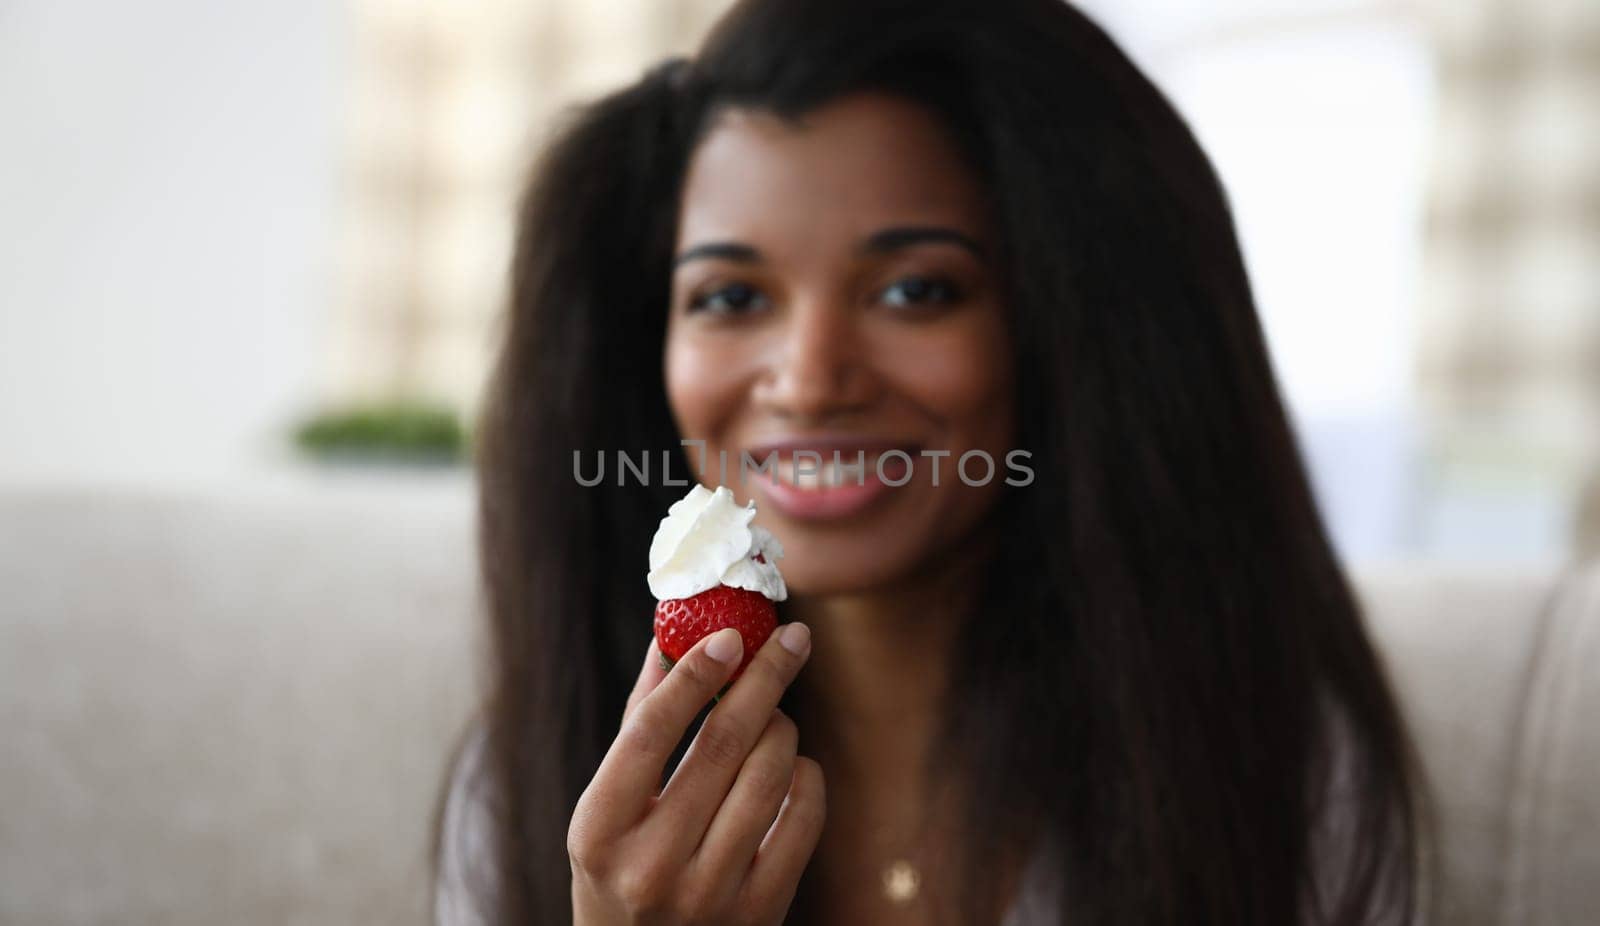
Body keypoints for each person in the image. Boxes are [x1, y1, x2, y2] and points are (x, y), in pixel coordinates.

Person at [433, 1, 1425, 923]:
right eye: (732, 299)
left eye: (914, 290)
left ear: (1072, 327)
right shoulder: (544, 774)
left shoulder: (1275, 769)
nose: (811, 379)